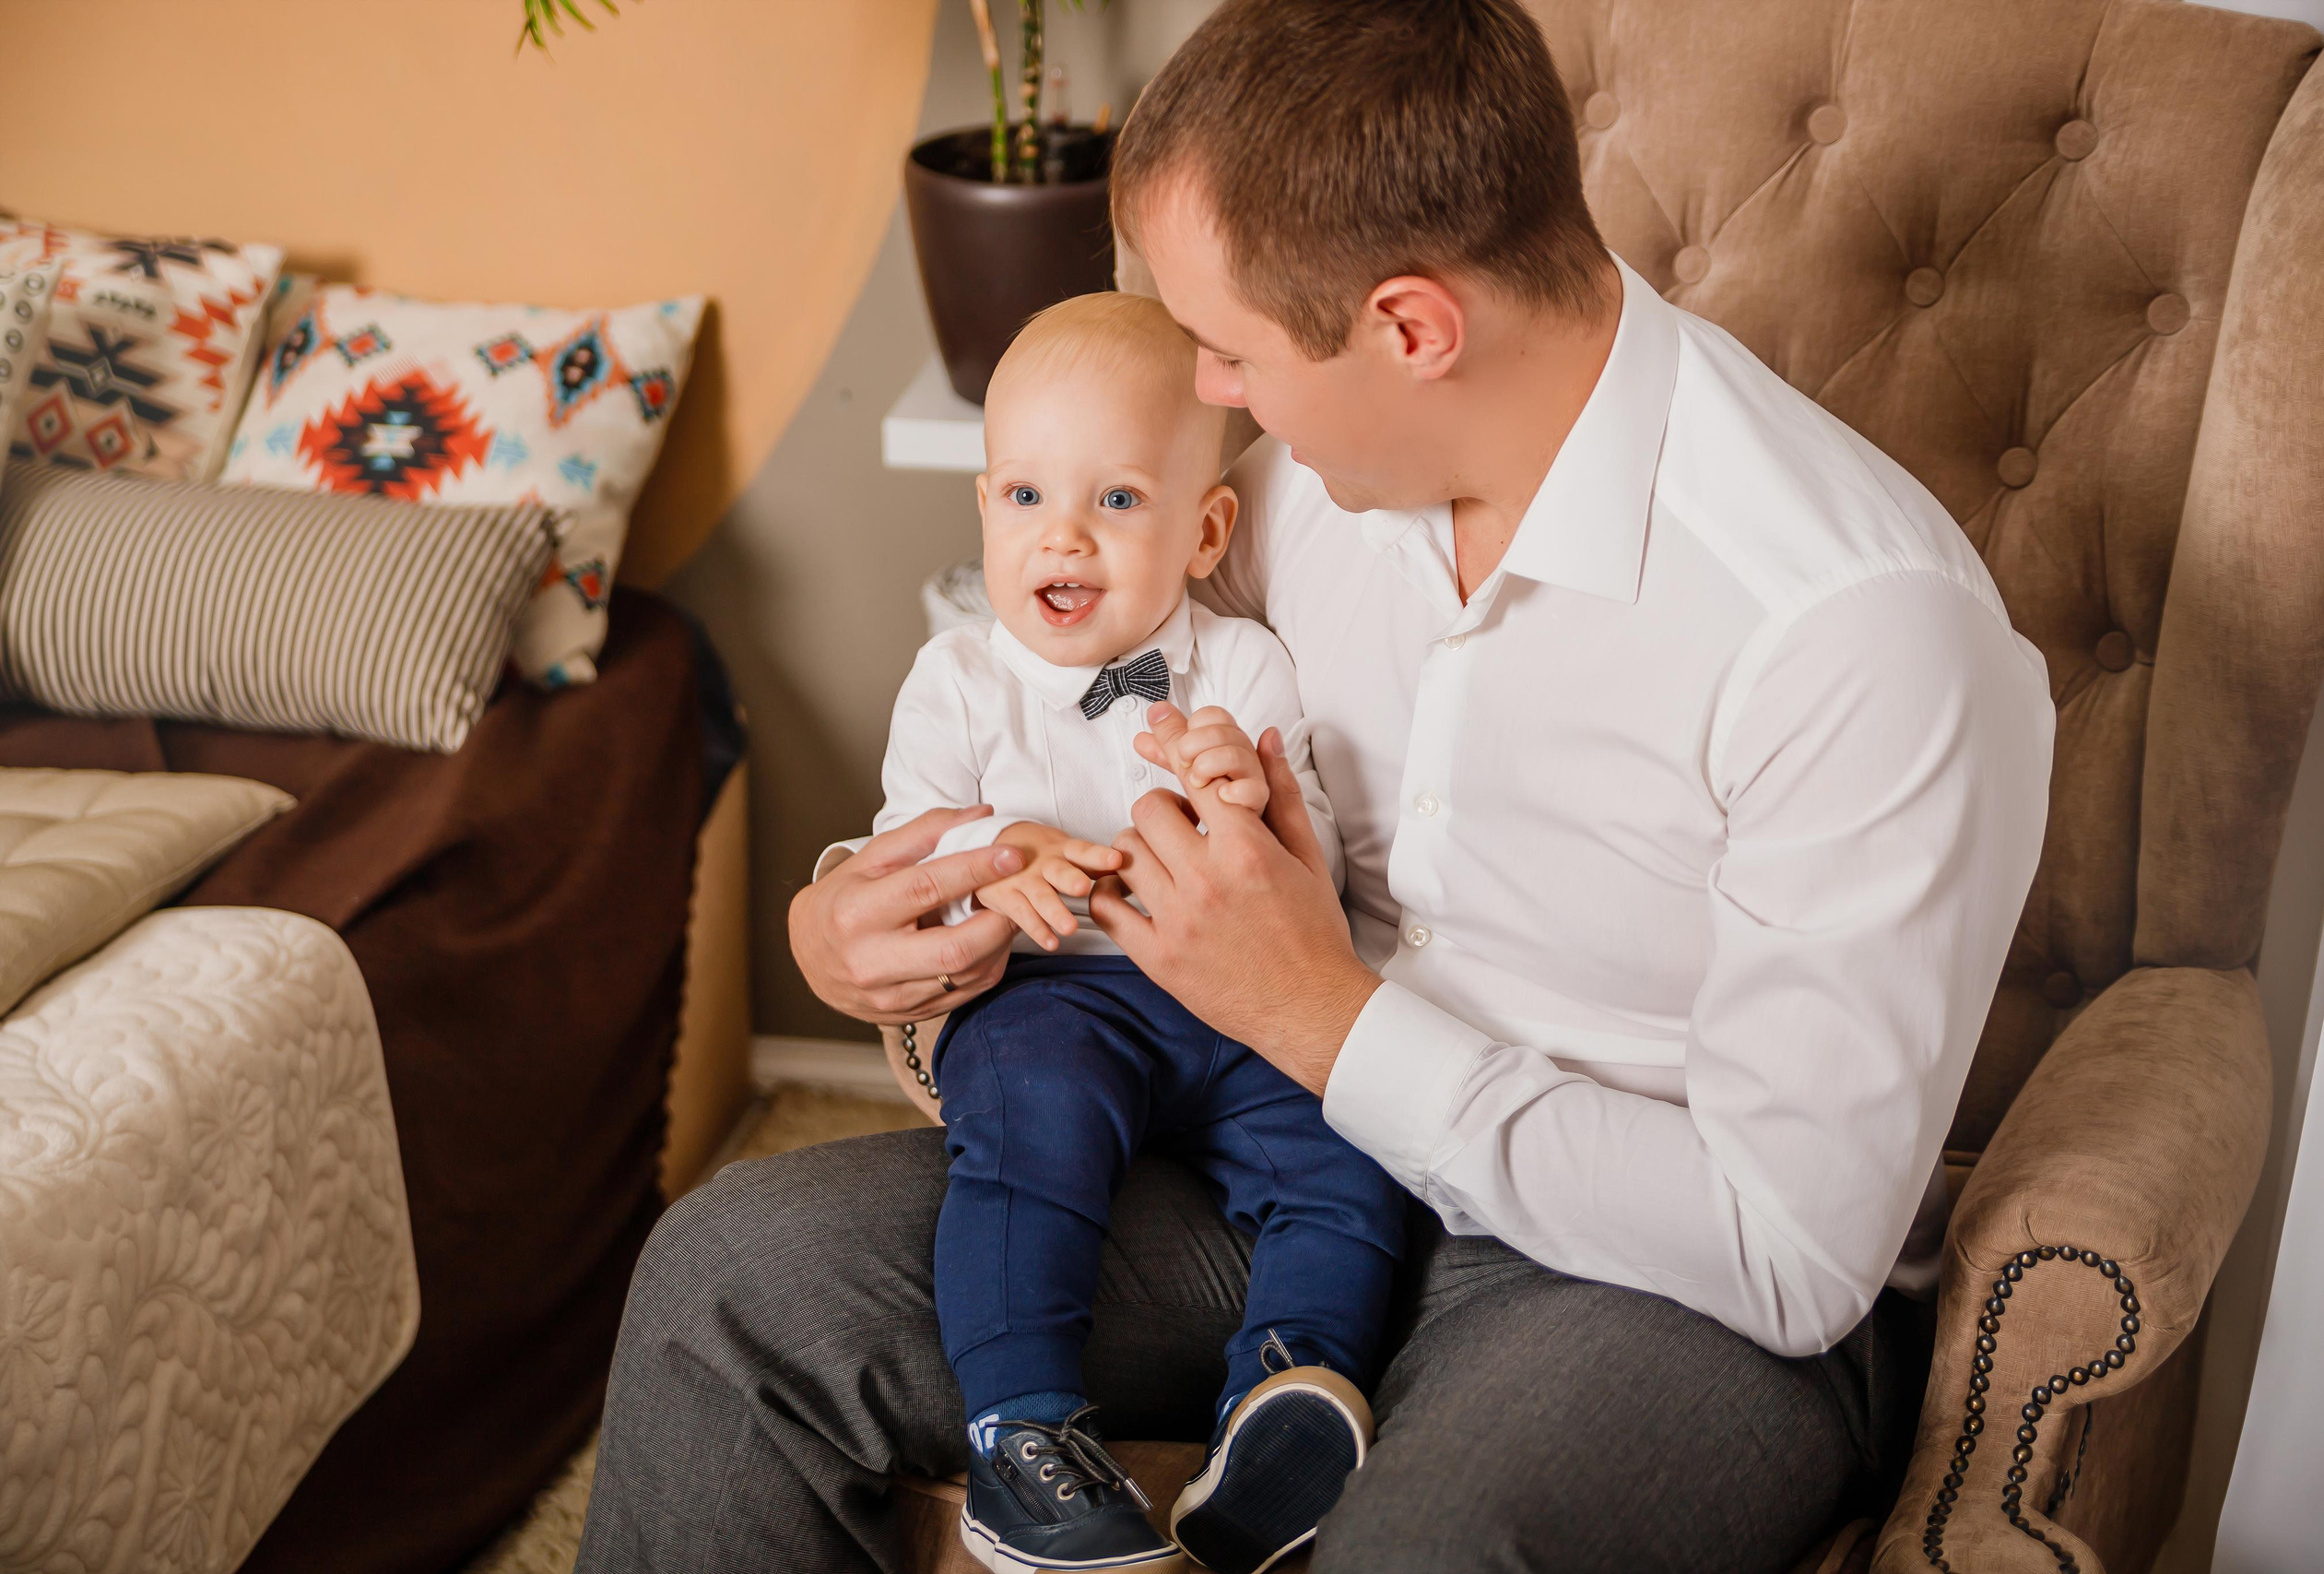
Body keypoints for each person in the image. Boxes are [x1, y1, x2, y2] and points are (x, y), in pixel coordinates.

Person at [575, 1, 2054, 1569]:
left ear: (1411, 329)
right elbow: (1041, 714)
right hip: (1274, 1163)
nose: (1208, 384)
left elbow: (1789, 1253)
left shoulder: (1857, 637)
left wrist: (1323, 1016)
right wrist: (851, 926)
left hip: (1657, 1287)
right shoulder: (1293, 490)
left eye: (1231, 349)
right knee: (722, 1285)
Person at [876, 290, 1403, 1574]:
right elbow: (909, 846)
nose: (1065, 537)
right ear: (987, 507)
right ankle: (1025, 1435)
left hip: (1233, 996)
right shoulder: (958, 679)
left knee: (1358, 1141)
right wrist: (999, 855)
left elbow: (1315, 878)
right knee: (1027, 1139)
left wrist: (1248, 808)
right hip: (1052, 994)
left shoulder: (1244, 671)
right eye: (1025, 501)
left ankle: (1285, 1397)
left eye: (1116, 501)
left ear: (1205, 526)